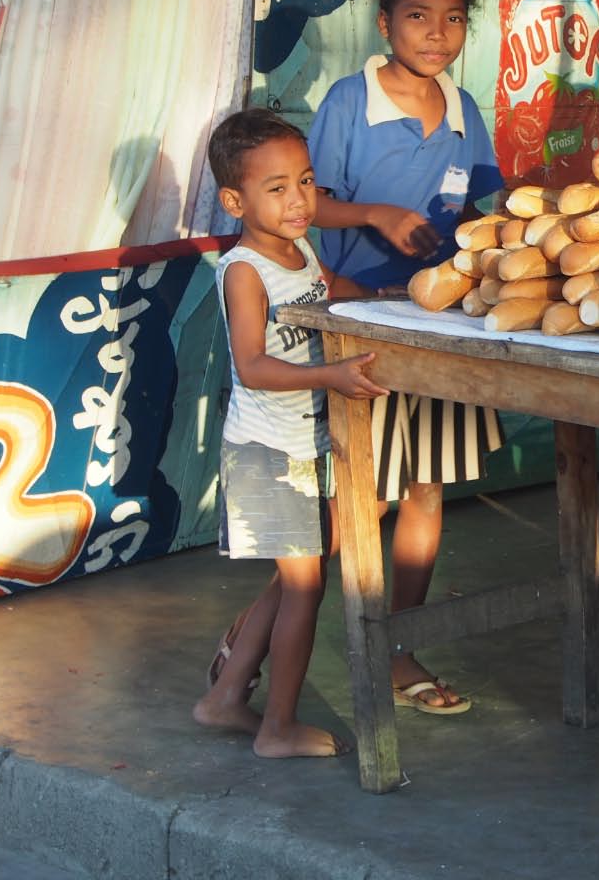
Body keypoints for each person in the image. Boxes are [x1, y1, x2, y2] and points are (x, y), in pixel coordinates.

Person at [304, 0, 506, 715]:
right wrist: (376, 216)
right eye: (418, 16)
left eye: (454, 18)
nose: (438, 32)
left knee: (427, 486)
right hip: (366, 321)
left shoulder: (464, 111)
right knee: (370, 494)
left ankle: (400, 645)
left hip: (443, 324)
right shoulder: (348, 102)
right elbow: (307, 204)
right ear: (385, 23)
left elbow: (488, 207)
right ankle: (269, 621)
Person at [192, 108, 387, 758]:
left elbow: (334, 290)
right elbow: (251, 366)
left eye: (305, 182)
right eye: (277, 188)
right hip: (268, 453)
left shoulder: (299, 249)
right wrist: (332, 375)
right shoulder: (245, 269)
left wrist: (393, 303)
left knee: (293, 579)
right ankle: (276, 728)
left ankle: (224, 700)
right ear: (234, 200)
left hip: (305, 447)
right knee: (305, 586)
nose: (299, 199)